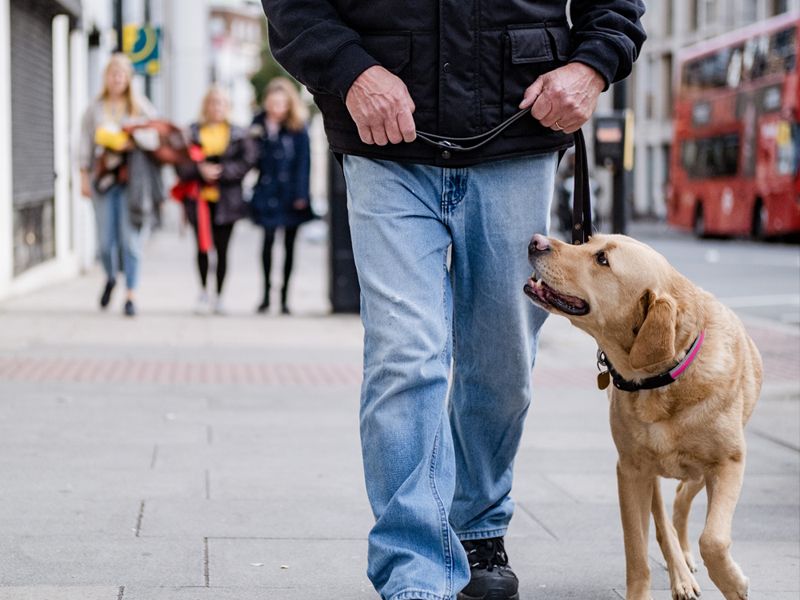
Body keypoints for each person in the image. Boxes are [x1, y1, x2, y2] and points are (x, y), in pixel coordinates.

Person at [261, 2, 646, 599]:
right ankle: (415, 571)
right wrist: (350, 70)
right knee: (405, 355)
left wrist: (591, 66)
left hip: (516, 131)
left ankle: (477, 529)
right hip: (384, 140)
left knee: (503, 361)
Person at [79, 53, 159, 317]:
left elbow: (156, 138)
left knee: (130, 240)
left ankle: (131, 294)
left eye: (121, 75)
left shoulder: (140, 106)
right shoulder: (95, 107)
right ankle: (111, 277)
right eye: (113, 74)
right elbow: (84, 144)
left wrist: (132, 137)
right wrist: (83, 177)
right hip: (102, 180)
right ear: (106, 78)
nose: (117, 79)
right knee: (105, 241)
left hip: (132, 180)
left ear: (128, 79)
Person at [174, 86, 257, 315]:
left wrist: (222, 171)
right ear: (205, 105)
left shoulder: (238, 133)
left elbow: (247, 161)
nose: (216, 107)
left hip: (227, 200)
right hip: (198, 199)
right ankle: (202, 292)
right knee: (201, 247)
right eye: (212, 102)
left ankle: (219, 295)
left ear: (227, 107)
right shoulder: (191, 131)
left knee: (222, 250)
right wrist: (200, 170)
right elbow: (179, 161)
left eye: (221, 103)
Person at [250, 78, 314, 315]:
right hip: (266, 192)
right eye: (273, 103)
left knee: (289, 246)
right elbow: (251, 157)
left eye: (281, 103)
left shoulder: (298, 127)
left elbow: (304, 163)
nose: (276, 108)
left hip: (290, 194)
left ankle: (285, 298)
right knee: (267, 243)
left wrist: (301, 194)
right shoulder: (258, 125)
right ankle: (266, 296)